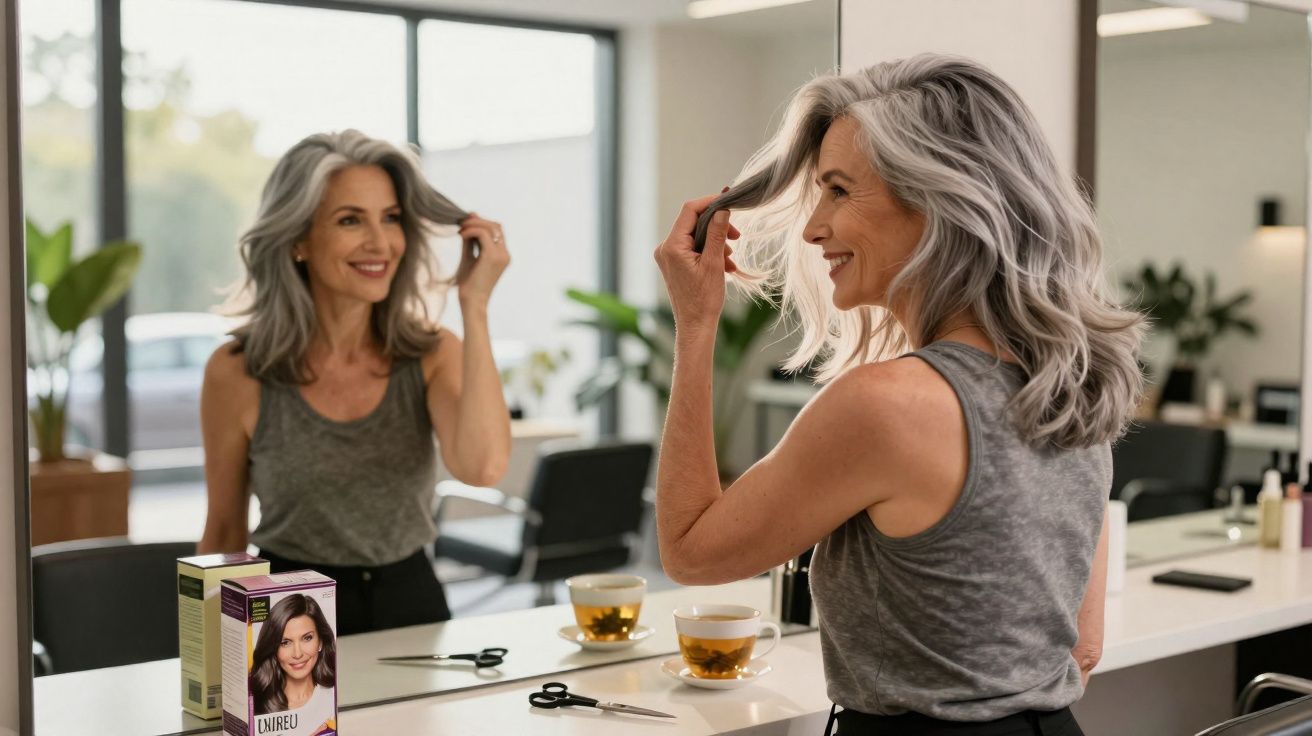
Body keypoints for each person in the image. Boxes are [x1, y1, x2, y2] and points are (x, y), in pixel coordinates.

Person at [653, 54, 1143, 736]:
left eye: (838, 190)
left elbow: (689, 549)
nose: (812, 227)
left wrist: (696, 324)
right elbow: (1081, 647)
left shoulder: (887, 405)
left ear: (934, 200)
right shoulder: (1069, 383)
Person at [198, 129, 512, 634]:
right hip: (286, 617)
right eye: (350, 220)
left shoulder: (432, 353)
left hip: (411, 606)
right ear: (299, 239)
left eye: (390, 218)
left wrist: (474, 307)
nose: (380, 243)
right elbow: (224, 529)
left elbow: (483, 466)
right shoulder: (237, 370)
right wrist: (213, 667)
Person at [249, 594, 336, 736]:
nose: (297, 654)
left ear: (320, 642)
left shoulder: (331, 698)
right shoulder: (256, 704)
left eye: (307, 638)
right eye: (285, 643)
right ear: (273, 649)